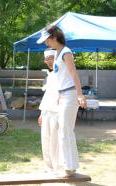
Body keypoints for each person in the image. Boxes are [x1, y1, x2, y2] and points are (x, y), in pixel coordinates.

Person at [37, 25, 87, 177]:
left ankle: (69, 167)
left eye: (47, 40)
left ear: (54, 37)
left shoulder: (66, 52)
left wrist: (80, 95)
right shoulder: (58, 53)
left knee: (65, 131)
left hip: (70, 95)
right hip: (63, 95)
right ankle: (68, 166)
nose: (46, 44)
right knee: (63, 131)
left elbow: (73, 74)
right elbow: (60, 79)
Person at [38, 49, 60, 174]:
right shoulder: (50, 75)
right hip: (46, 111)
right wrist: (41, 113)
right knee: (45, 139)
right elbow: (47, 95)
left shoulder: (62, 73)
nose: (49, 61)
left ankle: (57, 167)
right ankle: (49, 166)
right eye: (47, 59)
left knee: (55, 140)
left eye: (51, 58)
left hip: (56, 112)